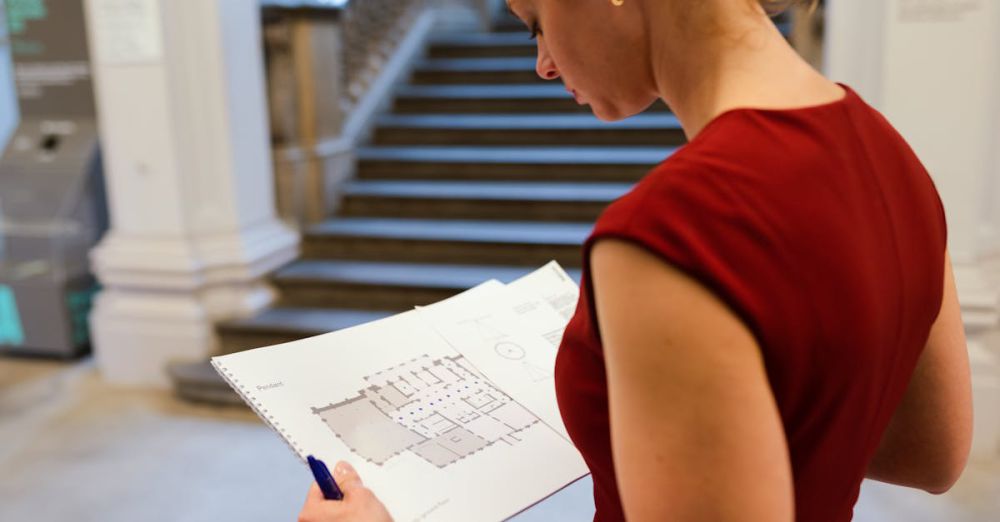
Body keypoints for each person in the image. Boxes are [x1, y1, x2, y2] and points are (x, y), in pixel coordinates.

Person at [298, 0, 974, 520]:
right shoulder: (886, 149)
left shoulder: (675, 230)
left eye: (536, 22)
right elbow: (930, 454)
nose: (544, 64)